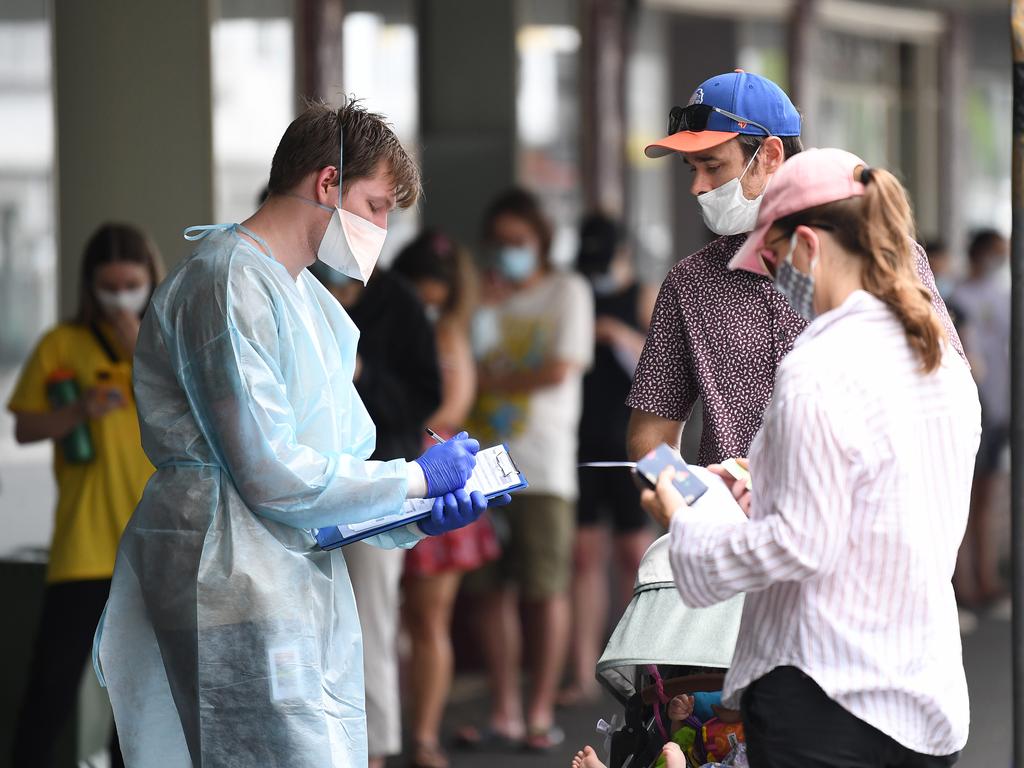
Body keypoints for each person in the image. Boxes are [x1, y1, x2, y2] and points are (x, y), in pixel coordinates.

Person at [92, 99, 508, 768]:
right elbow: (272, 475)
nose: (380, 228)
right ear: (326, 184)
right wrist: (413, 477)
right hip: (227, 575)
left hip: (278, 574)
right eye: (375, 205)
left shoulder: (300, 296)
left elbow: (321, 470)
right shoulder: (228, 281)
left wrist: (413, 515)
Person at [643, 148, 979, 766]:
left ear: (806, 245)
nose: (772, 278)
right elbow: (877, 513)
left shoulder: (819, 368)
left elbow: (799, 545)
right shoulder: (943, 367)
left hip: (823, 693)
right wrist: (756, 490)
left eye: (771, 260)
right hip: (924, 697)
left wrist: (689, 519)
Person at [625, 69, 964, 465]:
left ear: (769, 155)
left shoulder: (882, 254)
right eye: (691, 168)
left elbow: (944, 391)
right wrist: (689, 508)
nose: (697, 186)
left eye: (713, 166)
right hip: (730, 524)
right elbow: (651, 431)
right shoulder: (691, 282)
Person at [7, 222, 163, 768]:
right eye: (110, 285)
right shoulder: (62, 344)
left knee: (139, 693)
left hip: (152, 546)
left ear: (150, 280)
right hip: (84, 545)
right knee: (51, 685)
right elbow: (23, 426)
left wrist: (137, 343)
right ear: (89, 285)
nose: (121, 295)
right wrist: (77, 412)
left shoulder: (163, 343)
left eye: (131, 283)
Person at [459, 188, 594, 751]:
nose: (509, 252)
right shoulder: (481, 299)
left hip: (544, 466)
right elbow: (461, 362)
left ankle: (539, 709)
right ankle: (505, 710)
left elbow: (558, 370)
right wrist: (484, 311)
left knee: (544, 589)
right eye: (501, 243)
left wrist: (489, 381)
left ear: (541, 241)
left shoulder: (568, 291)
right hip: (481, 464)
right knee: (489, 591)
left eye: (520, 242)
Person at [310, 258, 442, 768]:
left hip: (378, 482)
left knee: (369, 621)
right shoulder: (292, 287)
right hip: (307, 482)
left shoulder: (399, 303)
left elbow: (424, 398)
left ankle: (374, 751)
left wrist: (362, 371)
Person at [391, 230, 501, 768]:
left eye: (436, 289)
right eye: (419, 288)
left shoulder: (453, 337)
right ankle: (385, 735)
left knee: (429, 622)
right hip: (389, 475)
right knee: (383, 621)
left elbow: (452, 407)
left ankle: (424, 736)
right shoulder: (390, 327)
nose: (427, 300)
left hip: (438, 479)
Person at [562, 212, 654, 706]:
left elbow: (662, 365)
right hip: (581, 438)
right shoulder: (574, 290)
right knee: (584, 556)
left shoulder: (641, 292)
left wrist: (617, 333)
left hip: (628, 442)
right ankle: (581, 673)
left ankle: (639, 668)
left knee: (633, 555)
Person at [951, 229, 1011, 608]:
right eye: (996, 252)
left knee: (988, 497)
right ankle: (965, 582)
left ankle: (986, 578)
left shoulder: (1003, 295)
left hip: (1000, 407)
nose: (1000, 259)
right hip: (974, 406)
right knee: (964, 500)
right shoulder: (956, 297)